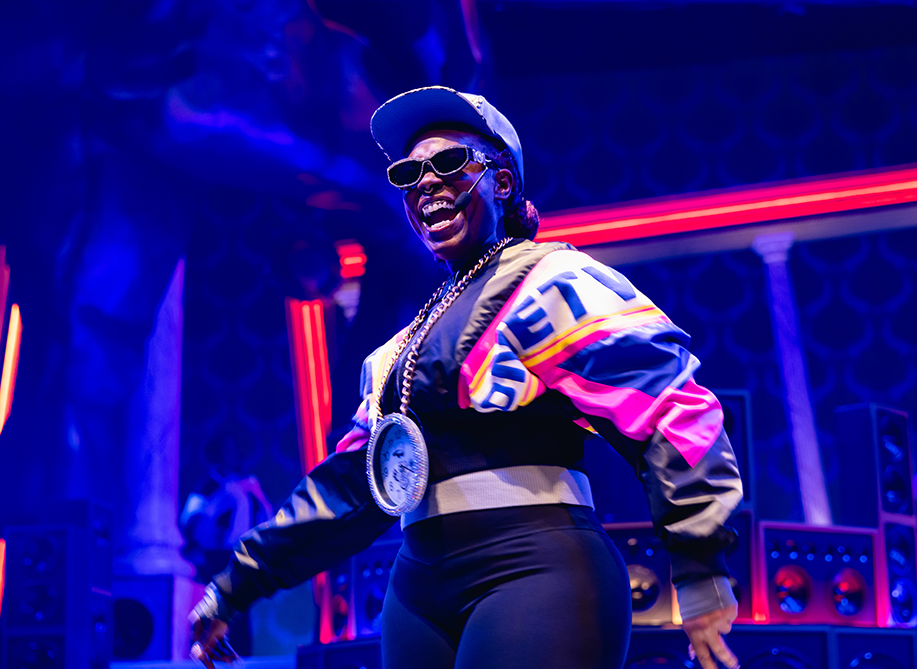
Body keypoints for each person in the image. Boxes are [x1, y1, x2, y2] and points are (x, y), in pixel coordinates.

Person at [189, 86, 743, 669]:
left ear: (501, 182)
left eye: (450, 163)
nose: (426, 182)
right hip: (416, 586)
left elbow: (670, 407)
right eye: (408, 173)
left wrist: (700, 566)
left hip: (534, 567)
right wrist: (234, 586)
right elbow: (350, 486)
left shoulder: (551, 280)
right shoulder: (396, 353)